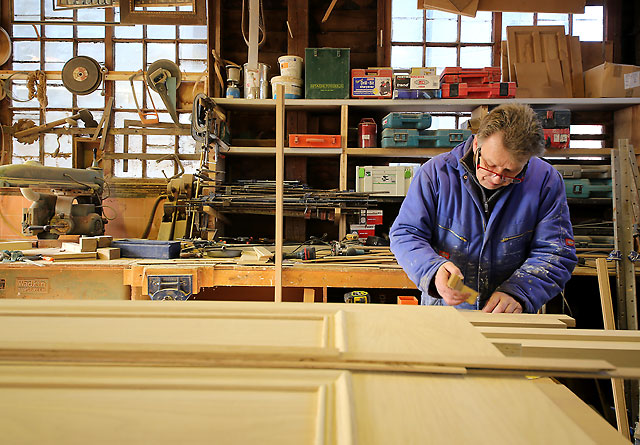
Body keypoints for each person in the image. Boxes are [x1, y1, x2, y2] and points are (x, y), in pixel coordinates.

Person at [389, 103, 577, 313]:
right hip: (445, 311)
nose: (496, 178)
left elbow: (556, 251)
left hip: (508, 315)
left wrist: (519, 292)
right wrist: (433, 269)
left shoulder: (545, 181)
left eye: (510, 171)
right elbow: (406, 234)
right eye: (489, 164)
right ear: (477, 143)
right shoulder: (435, 174)